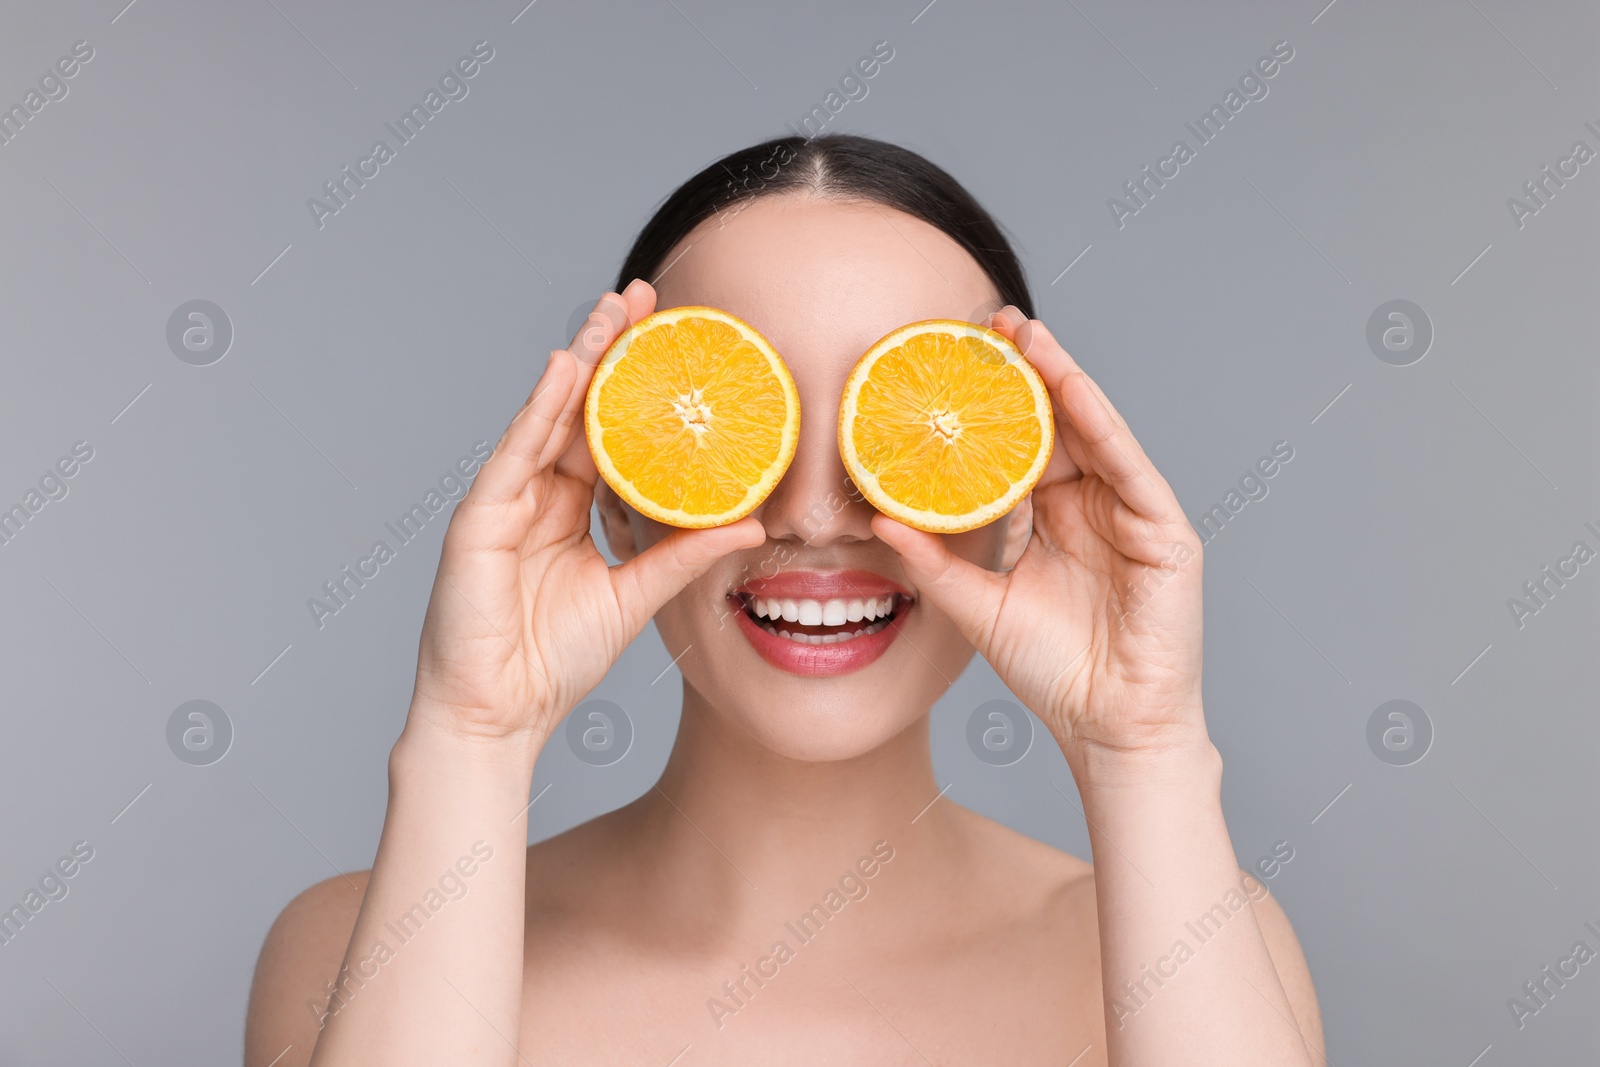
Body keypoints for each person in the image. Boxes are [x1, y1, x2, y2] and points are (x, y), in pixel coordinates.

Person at [244, 133, 1323, 1066]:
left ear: (1020, 500)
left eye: (903, 433)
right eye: (732, 428)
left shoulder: (1201, 945)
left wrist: (1145, 749)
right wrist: (469, 735)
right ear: (618, 499)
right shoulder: (356, 951)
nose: (816, 515)